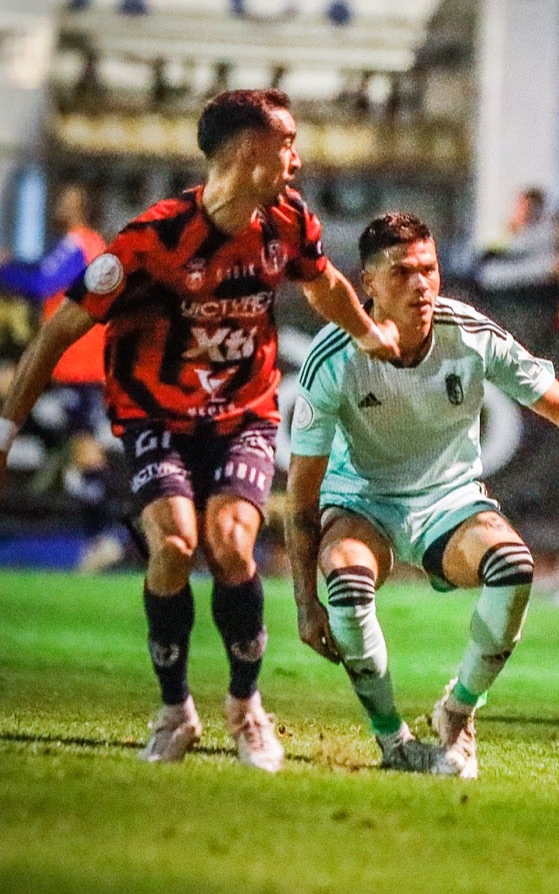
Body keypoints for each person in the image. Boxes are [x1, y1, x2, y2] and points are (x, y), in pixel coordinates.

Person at [0, 89, 402, 770]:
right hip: (157, 416)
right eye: (288, 144)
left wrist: (369, 334)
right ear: (251, 151)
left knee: (232, 542)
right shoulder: (150, 242)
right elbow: (56, 333)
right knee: (176, 543)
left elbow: (323, 282)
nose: (298, 160)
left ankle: (246, 707)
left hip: (242, 414)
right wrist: (4, 434)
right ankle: (174, 709)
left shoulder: (286, 222)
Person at [287, 212, 559, 776]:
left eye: (430, 269)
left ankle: (458, 713)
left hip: (450, 504)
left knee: (513, 566)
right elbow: (301, 497)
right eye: (403, 272)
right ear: (367, 285)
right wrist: (304, 602)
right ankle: (393, 740)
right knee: (346, 577)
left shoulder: (471, 334)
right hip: (364, 504)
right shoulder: (332, 357)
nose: (421, 284)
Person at [0, 185, 113, 537]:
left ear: (82, 207)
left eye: (68, 198)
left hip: (71, 364)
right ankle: (104, 530)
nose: (59, 202)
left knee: (83, 446)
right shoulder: (94, 246)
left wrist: (4, 270)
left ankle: (106, 532)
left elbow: (41, 282)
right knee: (81, 443)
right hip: (71, 363)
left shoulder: (78, 243)